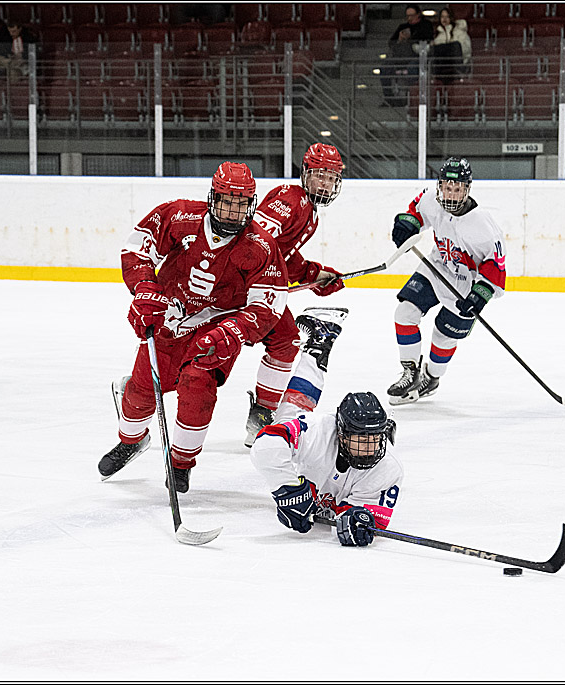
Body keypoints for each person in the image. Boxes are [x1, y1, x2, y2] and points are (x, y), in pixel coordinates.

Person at [98, 162, 289, 493]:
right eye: (227, 201)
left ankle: (181, 463)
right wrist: (145, 290)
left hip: (216, 329)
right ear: (213, 197)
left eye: (241, 203)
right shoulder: (179, 216)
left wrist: (234, 331)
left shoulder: (260, 246)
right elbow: (137, 249)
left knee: (196, 386)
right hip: (169, 318)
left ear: (252, 203)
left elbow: (268, 304)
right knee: (142, 390)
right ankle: (132, 440)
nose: (233, 211)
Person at [250, 308, 403, 547]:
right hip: (310, 440)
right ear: (340, 433)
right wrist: (286, 488)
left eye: (375, 438)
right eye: (360, 438)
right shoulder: (318, 432)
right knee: (289, 418)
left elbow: (367, 518)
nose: (369, 447)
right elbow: (265, 445)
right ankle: (320, 343)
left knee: (292, 412)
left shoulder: (388, 470)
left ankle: (322, 339)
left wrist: (358, 521)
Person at [242, 143, 347, 448]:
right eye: (319, 176)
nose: (325, 183)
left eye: (331, 178)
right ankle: (139, 391)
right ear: (305, 174)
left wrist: (315, 274)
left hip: (256, 289)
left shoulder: (310, 214)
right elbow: (254, 242)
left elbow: (282, 256)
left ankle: (261, 415)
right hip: (239, 288)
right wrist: (253, 283)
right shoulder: (291, 200)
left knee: (286, 342)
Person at [386, 157, 506, 404]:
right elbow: (414, 212)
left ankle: (431, 378)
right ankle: (410, 372)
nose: (451, 194)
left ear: (467, 189)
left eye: (457, 189)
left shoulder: (483, 225)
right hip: (436, 267)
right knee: (404, 313)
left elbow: (496, 264)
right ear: (440, 185)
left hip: (466, 285)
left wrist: (480, 294)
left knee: (443, 335)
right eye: (447, 188)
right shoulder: (431, 198)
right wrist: (407, 225)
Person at [431, 7, 472, 82]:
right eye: (442, 17)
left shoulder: (460, 32)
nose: (444, 19)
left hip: (456, 66)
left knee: (455, 45)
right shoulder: (437, 35)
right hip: (442, 68)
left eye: (447, 17)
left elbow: (466, 50)